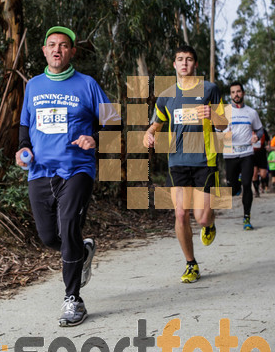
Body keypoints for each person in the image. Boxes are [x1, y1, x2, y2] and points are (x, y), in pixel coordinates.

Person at [16, 26, 120, 326]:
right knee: (50, 237)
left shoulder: (87, 85)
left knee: (69, 224)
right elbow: (25, 126)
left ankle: (73, 299)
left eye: (63, 45)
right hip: (39, 171)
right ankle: (82, 251)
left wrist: (96, 139)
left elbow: (113, 121)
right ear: (44, 51)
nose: (57, 49)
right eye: (52, 45)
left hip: (77, 168)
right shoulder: (33, 86)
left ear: (72, 51)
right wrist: (23, 149)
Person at [143, 45, 227, 283]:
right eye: (180, 59)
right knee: (181, 214)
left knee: (201, 218)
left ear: (195, 65)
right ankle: (191, 264)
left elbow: (223, 125)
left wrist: (214, 116)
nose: (184, 63)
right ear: (174, 64)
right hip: (177, 161)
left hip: (205, 160)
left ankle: (209, 224)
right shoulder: (167, 96)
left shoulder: (210, 89)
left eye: (189, 59)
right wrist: (148, 135)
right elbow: (154, 126)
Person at [224, 82, 264, 229]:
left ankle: (247, 217)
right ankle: (236, 185)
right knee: (232, 188)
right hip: (230, 154)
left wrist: (257, 137)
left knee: (247, 184)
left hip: (247, 153)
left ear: (243, 93)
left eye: (238, 91)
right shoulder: (225, 111)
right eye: (233, 92)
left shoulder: (251, 112)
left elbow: (260, 130)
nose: (236, 94)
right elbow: (216, 130)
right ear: (230, 95)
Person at [252, 128, 270, 196]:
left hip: (262, 154)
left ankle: (262, 185)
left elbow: (268, 140)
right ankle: (256, 191)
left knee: (263, 175)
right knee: (254, 174)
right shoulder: (248, 130)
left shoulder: (263, 130)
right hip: (252, 154)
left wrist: (269, 145)